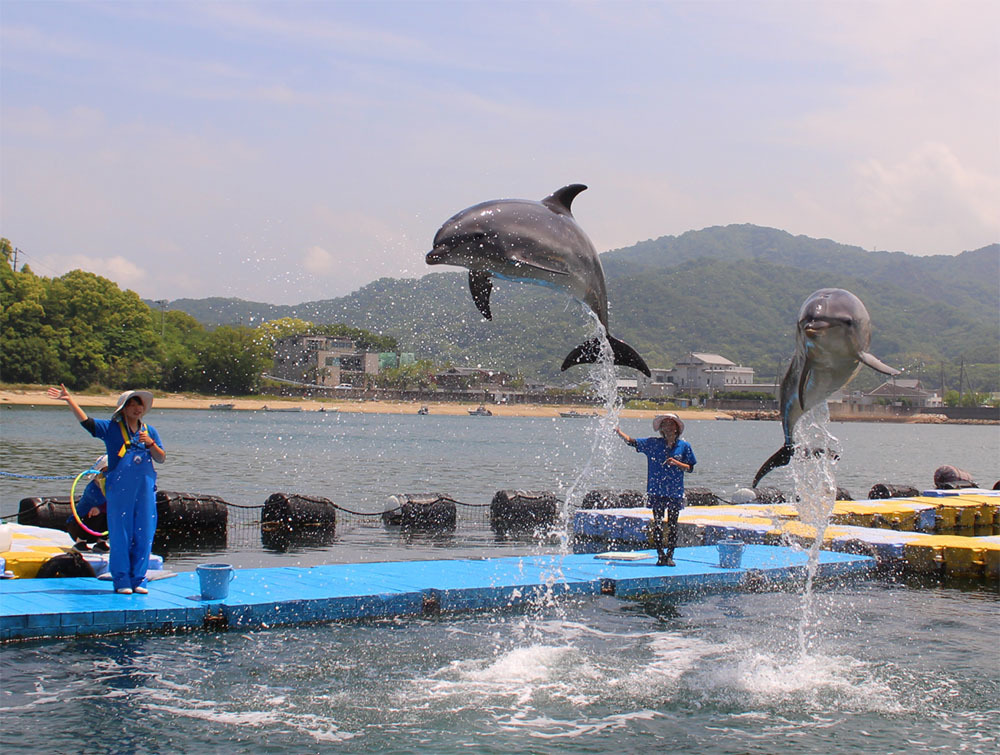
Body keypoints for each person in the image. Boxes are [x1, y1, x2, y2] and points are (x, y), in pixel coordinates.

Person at [47, 385, 166, 594]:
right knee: (121, 534)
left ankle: (139, 580)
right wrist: (69, 399)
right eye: (131, 404)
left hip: (144, 492)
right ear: (123, 409)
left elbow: (161, 457)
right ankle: (122, 581)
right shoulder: (112, 429)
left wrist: (151, 444)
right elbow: (87, 423)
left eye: (138, 404)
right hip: (120, 491)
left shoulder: (150, 431)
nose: (136, 408)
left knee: (144, 533)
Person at [615, 413, 696, 566]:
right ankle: (660, 555)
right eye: (665, 424)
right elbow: (632, 442)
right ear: (661, 428)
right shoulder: (653, 443)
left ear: (676, 428)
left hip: (674, 491)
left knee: (673, 524)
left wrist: (677, 463)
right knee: (658, 523)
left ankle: (670, 555)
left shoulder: (684, 446)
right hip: (657, 490)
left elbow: (690, 467)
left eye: (671, 424)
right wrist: (619, 433)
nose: (668, 427)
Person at [66, 454, 110, 550]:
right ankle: (80, 542)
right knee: (96, 513)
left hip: (97, 531)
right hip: (77, 526)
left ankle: (101, 542)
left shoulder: (111, 489)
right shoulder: (92, 489)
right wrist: (100, 509)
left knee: (111, 514)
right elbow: (106, 504)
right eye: (105, 471)